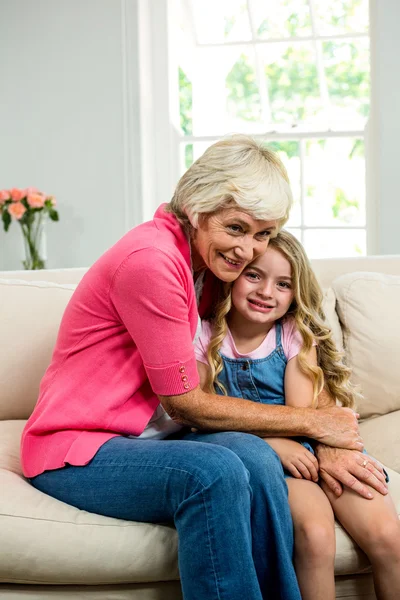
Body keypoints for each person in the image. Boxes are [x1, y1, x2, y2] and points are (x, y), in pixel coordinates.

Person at [21, 136, 387, 600]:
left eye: (262, 234)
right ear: (196, 208)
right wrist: (316, 423)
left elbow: (299, 334)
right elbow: (184, 402)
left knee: (255, 458)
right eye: (236, 228)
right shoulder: (152, 262)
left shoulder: (211, 268)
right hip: (79, 449)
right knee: (213, 472)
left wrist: (329, 440)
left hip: (154, 442)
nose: (248, 249)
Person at [194, 229, 400, 600]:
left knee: (389, 538)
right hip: (273, 460)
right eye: (254, 275)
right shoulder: (204, 336)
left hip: (310, 442)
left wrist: (312, 446)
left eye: (283, 284)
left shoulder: (293, 335)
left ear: (294, 295)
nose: (265, 291)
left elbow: (302, 415)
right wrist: (273, 445)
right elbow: (201, 413)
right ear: (231, 274)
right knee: (316, 538)